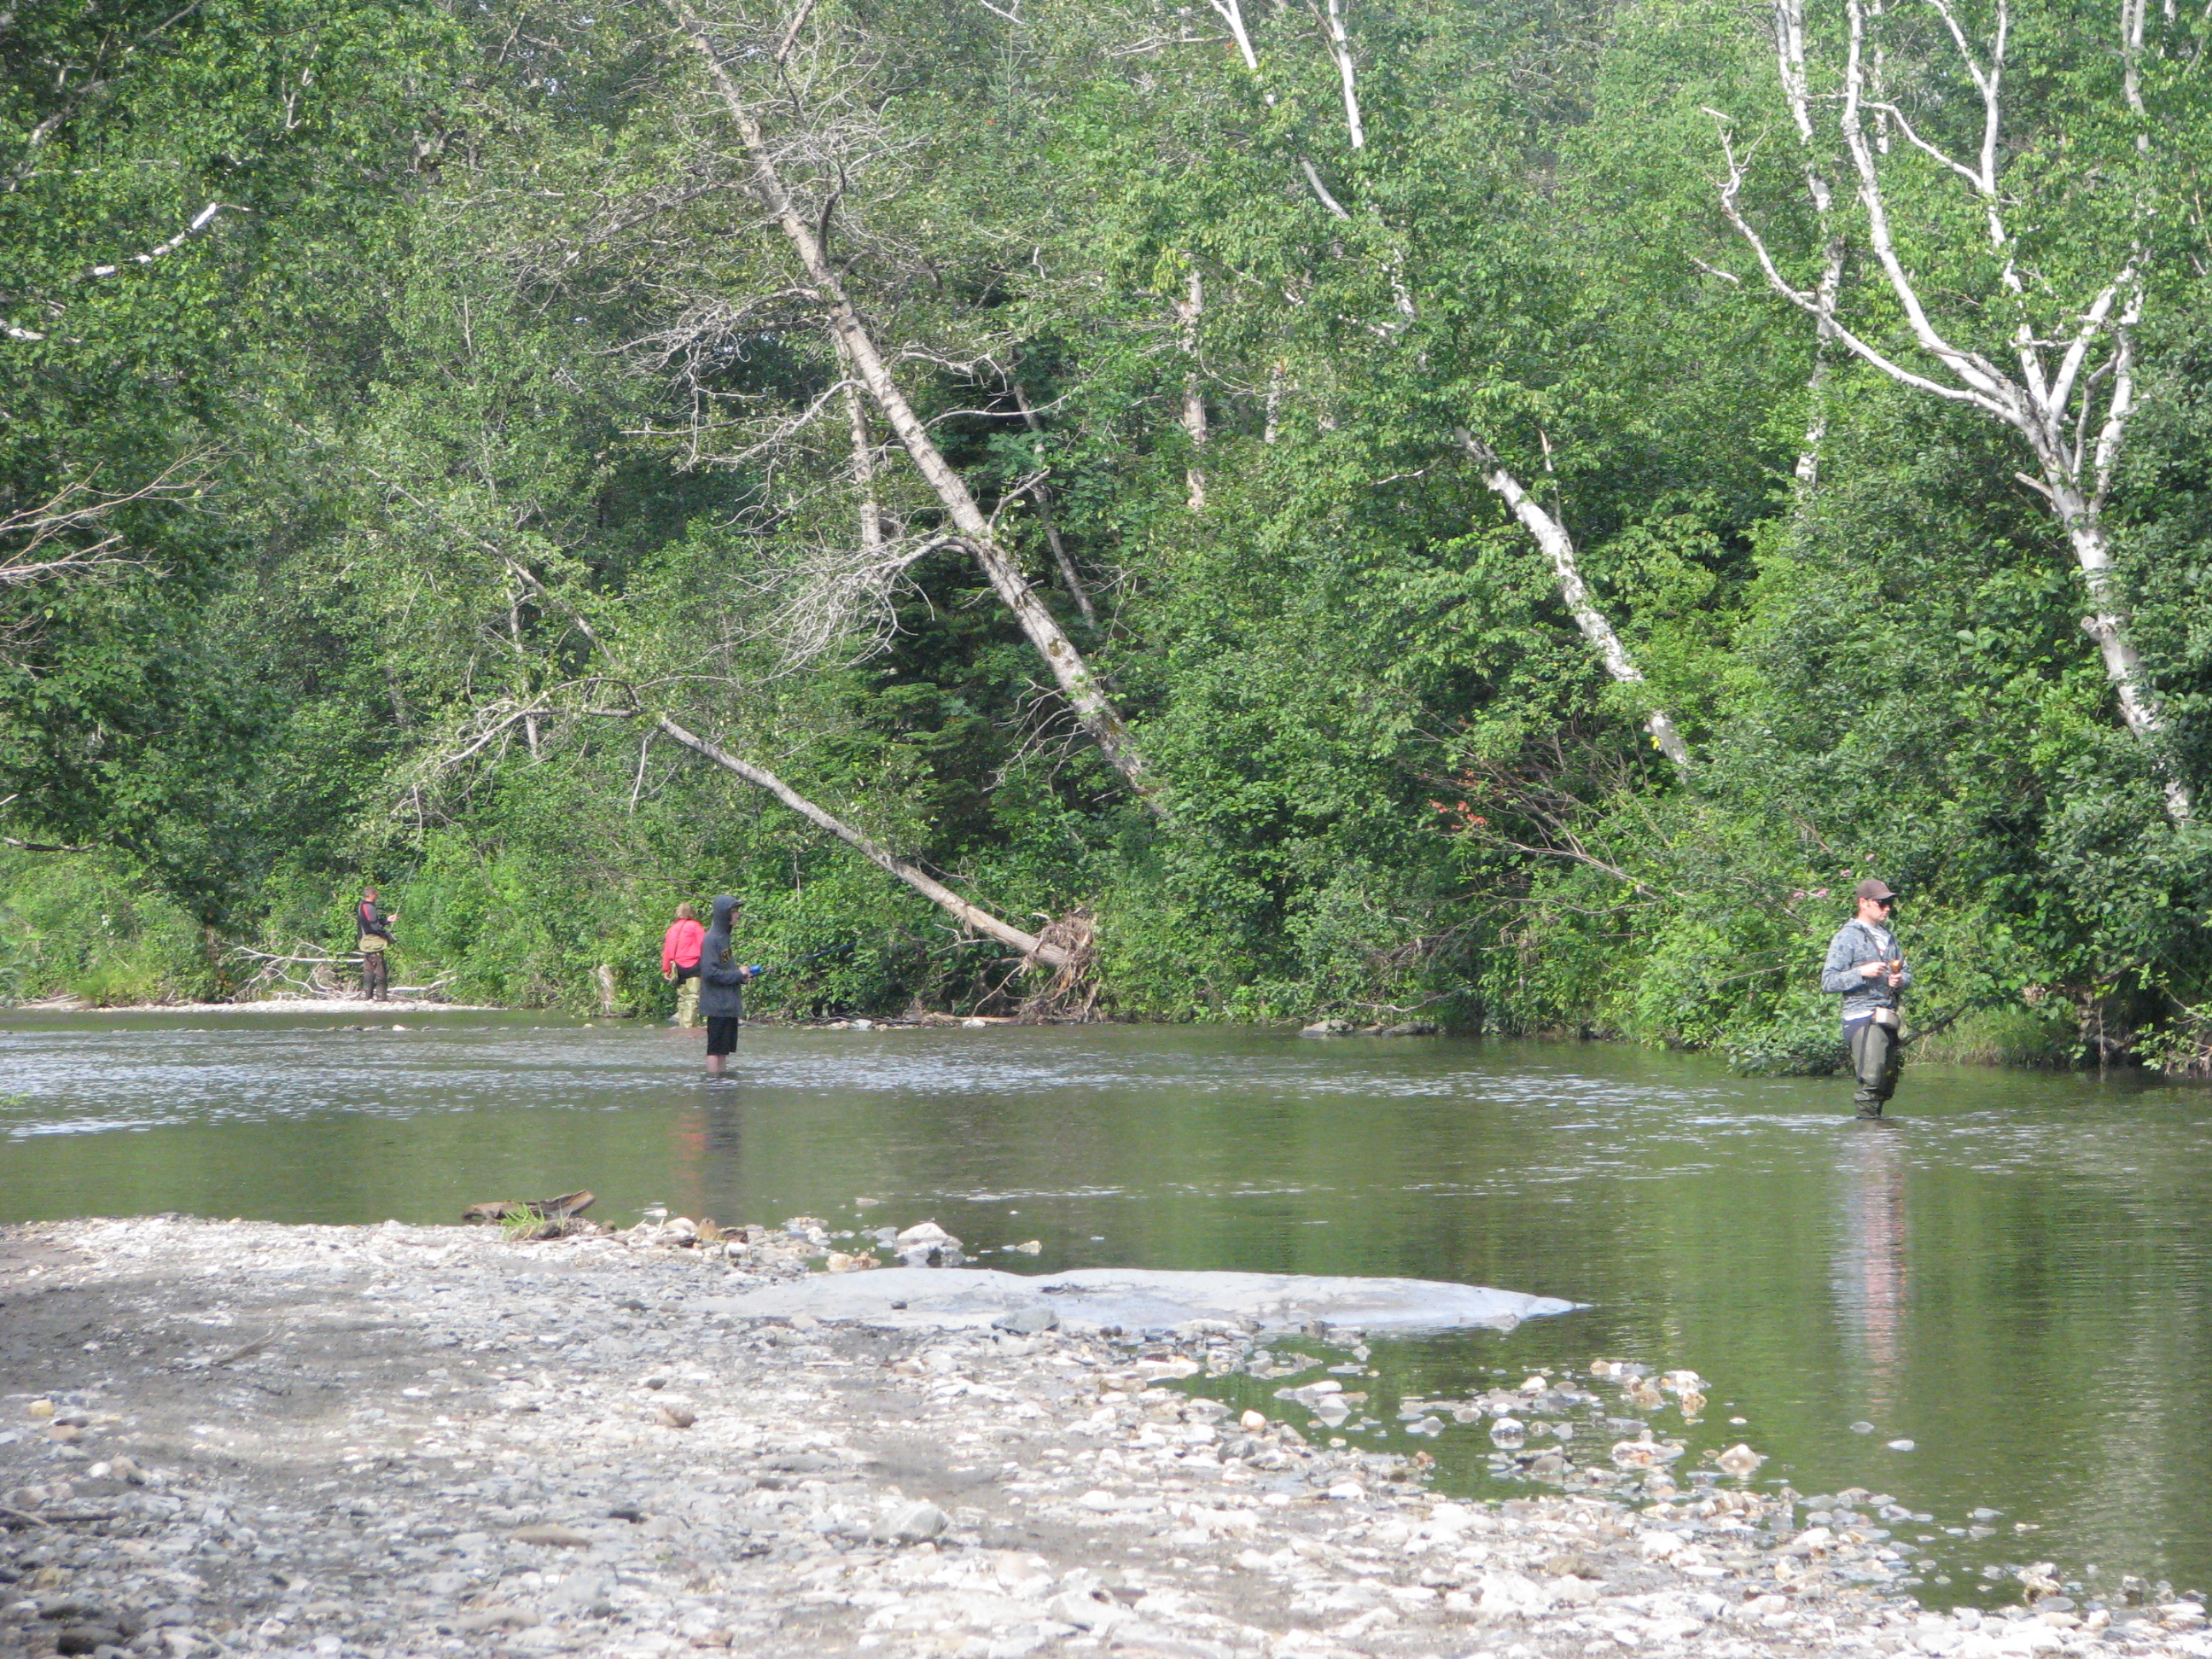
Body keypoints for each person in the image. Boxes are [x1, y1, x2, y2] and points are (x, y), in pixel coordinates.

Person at [1820, 877, 1912, 1118]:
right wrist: (1861, 972)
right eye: (1881, 903)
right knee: (1871, 1081)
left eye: (1889, 903)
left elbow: (1907, 972)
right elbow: (1828, 981)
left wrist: (1900, 980)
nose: (1887, 908)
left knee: (1885, 1085)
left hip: (1887, 1017)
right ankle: (1867, 1136)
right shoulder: (1846, 937)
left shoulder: (1890, 937)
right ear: (1863, 903)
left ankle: (1878, 1138)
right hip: (1861, 1017)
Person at [696, 894, 764, 1078]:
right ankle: (713, 1084)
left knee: (724, 1049)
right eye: (734, 912)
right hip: (716, 1005)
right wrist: (737, 974)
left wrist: (741, 977)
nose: (737, 915)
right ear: (724, 914)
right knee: (715, 1048)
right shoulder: (711, 939)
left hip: (728, 1004)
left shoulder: (724, 938)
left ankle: (723, 1083)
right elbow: (709, 973)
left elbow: (724, 969)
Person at [661, 901, 706, 1028]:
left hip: (676, 966)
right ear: (691, 912)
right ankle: (688, 1026)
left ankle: (682, 1025)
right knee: (693, 996)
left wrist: (667, 969)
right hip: (693, 965)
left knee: (682, 997)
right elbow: (704, 945)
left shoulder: (672, 929)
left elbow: (667, 950)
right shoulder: (695, 926)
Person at [356, 886, 397, 1003]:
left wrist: (387, 920)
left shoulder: (361, 906)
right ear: (371, 895)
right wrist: (387, 935)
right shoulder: (369, 907)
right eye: (376, 895)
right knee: (380, 971)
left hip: (365, 942)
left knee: (368, 969)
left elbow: (370, 923)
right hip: (373, 942)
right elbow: (374, 926)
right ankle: (382, 998)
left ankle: (368, 997)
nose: (377, 897)